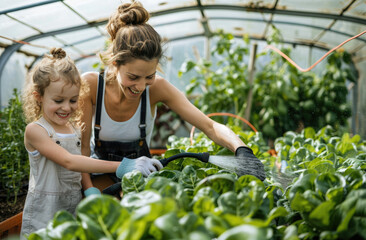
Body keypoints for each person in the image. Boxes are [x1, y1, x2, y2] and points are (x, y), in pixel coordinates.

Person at [80, 1, 265, 193]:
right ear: (115, 63)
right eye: (133, 77)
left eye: (149, 76)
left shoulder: (158, 88)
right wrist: (88, 190)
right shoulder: (92, 86)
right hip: (98, 175)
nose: (141, 86)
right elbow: (82, 148)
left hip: (140, 178)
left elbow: (209, 126)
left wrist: (242, 149)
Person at [20, 47, 162, 237]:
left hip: (72, 205)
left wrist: (89, 189)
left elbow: (82, 160)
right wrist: (123, 165)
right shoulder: (36, 131)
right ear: (39, 97)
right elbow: (70, 161)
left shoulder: (74, 128)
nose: (66, 107)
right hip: (45, 210)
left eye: (73, 100)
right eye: (58, 100)